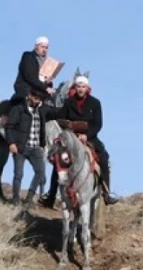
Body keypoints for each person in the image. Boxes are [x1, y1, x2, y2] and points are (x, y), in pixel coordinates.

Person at [40, 75, 118, 207]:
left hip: (90, 137)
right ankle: (51, 196)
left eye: (83, 87)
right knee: (60, 160)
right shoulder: (69, 102)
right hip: (71, 137)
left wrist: (86, 135)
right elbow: (61, 118)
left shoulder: (95, 103)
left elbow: (98, 124)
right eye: (78, 86)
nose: (81, 89)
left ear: (87, 88)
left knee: (104, 159)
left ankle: (106, 193)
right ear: (75, 88)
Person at [4, 90, 55, 206]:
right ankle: (16, 199)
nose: (38, 101)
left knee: (40, 172)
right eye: (36, 99)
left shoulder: (41, 110)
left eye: (40, 100)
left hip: (36, 148)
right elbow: (9, 127)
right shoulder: (18, 109)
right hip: (21, 147)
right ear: (30, 96)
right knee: (19, 174)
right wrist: (11, 143)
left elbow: (56, 112)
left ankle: (29, 198)